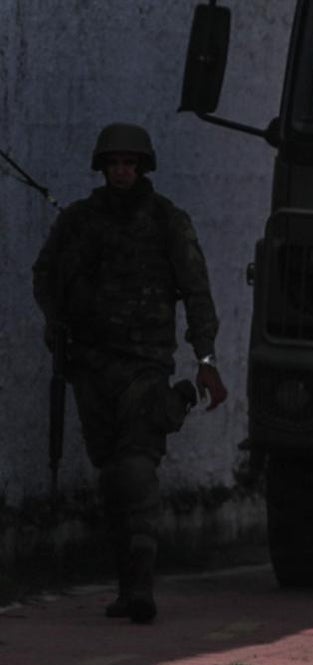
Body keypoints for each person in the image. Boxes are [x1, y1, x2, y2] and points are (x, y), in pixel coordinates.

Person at [32, 123, 228, 624]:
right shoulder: (79, 222)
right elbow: (44, 276)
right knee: (110, 471)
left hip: (144, 366)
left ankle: (140, 586)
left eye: (130, 163)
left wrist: (205, 360)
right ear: (103, 168)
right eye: (114, 163)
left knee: (137, 466)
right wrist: (56, 324)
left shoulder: (167, 222)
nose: (122, 171)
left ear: (142, 168)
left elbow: (196, 291)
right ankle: (125, 585)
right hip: (92, 366)